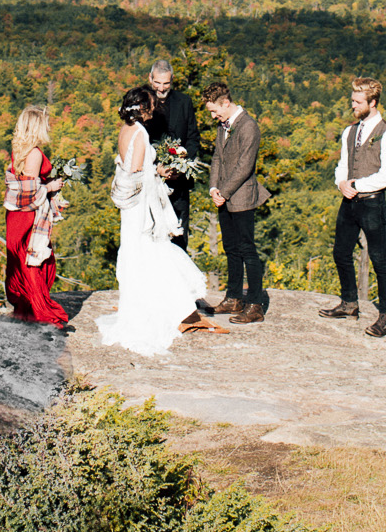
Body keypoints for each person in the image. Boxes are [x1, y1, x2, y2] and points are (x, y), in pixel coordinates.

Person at [95, 87, 209, 355]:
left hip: (131, 205)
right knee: (149, 248)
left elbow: (129, 165)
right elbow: (136, 171)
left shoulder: (125, 129)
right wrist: (157, 172)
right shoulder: (140, 133)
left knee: (139, 250)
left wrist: (153, 168)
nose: (154, 108)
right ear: (143, 108)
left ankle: (153, 301)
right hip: (139, 205)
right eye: (150, 104)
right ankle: (167, 308)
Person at [318, 76, 386, 337]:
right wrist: (341, 183)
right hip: (349, 201)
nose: (352, 105)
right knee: (340, 253)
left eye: (357, 102)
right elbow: (343, 165)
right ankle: (349, 304)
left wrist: (357, 185)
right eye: (352, 100)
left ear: (373, 102)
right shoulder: (350, 132)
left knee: (379, 259)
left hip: (372, 203)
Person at [203, 82, 271, 323]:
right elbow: (217, 159)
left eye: (214, 110)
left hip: (241, 197)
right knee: (231, 248)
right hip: (224, 197)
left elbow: (245, 166)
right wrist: (214, 188)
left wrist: (225, 191)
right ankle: (233, 298)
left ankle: (254, 305)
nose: (213, 116)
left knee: (247, 249)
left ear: (226, 103)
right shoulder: (224, 126)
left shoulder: (249, 127)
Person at [3, 104, 70, 326]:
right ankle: (39, 310)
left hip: (17, 217)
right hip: (28, 217)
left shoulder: (20, 150)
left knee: (23, 260)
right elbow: (30, 192)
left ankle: (26, 306)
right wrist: (51, 187)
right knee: (33, 261)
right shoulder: (34, 154)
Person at [140, 59, 201, 251]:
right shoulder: (142, 102)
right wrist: (156, 168)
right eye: (157, 83)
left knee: (179, 236)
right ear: (150, 78)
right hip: (150, 182)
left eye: (166, 83)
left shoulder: (184, 102)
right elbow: (137, 142)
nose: (161, 88)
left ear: (172, 80)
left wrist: (181, 165)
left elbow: (192, 138)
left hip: (179, 183)